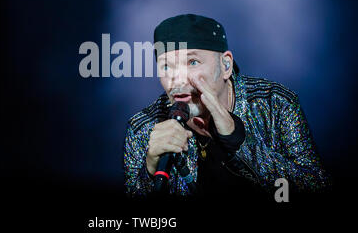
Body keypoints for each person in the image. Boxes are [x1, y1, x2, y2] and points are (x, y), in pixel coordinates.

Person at [123, 14, 331, 200]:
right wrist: (149, 170)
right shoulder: (143, 127)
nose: (177, 79)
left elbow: (316, 186)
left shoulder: (274, 103)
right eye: (166, 66)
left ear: (225, 66)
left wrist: (237, 140)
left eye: (193, 62)